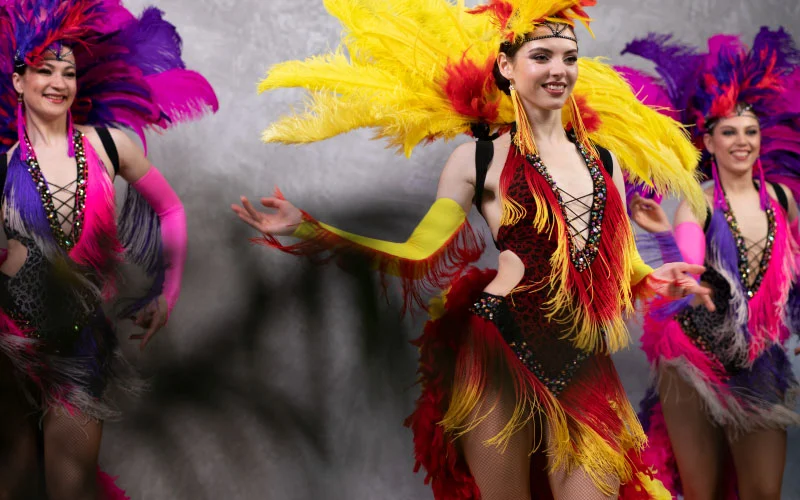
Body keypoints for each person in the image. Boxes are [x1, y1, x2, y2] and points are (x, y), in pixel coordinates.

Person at [234, 0, 712, 497]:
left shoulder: (605, 161)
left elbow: (614, 258)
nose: (559, 70)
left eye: (569, 58)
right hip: (500, 347)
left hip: (581, 353)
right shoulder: (477, 159)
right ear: (506, 66)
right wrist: (311, 229)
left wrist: (654, 279)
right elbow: (419, 251)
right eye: (542, 56)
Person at [0, 1, 218, 498]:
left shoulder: (108, 146)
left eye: (68, 72)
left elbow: (170, 210)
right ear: (18, 81)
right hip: (8, 341)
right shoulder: (4, 165)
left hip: (81, 340)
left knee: (70, 483)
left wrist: (170, 291)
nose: (58, 82)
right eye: (44, 70)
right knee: (11, 475)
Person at [621, 28, 800, 500]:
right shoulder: (697, 203)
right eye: (729, 132)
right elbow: (689, 259)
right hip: (693, 357)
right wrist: (667, 240)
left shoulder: (783, 200)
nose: (742, 142)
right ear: (710, 141)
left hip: (759, 361)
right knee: (704, 492)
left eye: (750, 131)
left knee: (764, 491)